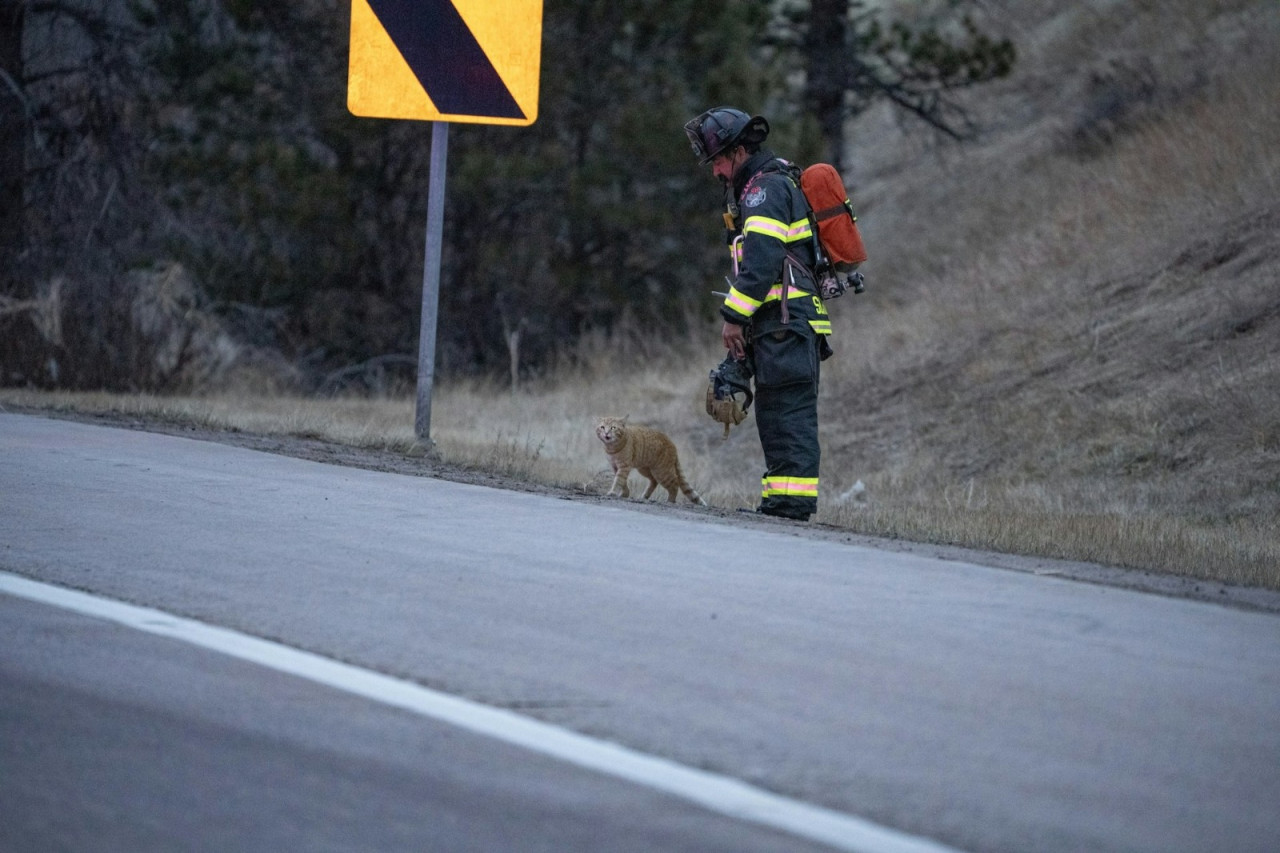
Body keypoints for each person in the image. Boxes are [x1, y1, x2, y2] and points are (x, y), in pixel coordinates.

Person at [684, 106, 832, 522]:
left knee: (787, 413)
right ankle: (783, 503)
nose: (715, 172)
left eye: (716, 161)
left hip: (785, 320)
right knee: (779, 412)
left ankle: (790, 505)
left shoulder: (763, 190)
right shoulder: (768, 184)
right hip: (782, 322)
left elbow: (763, 262)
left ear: (737, 151)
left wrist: (733, 317)